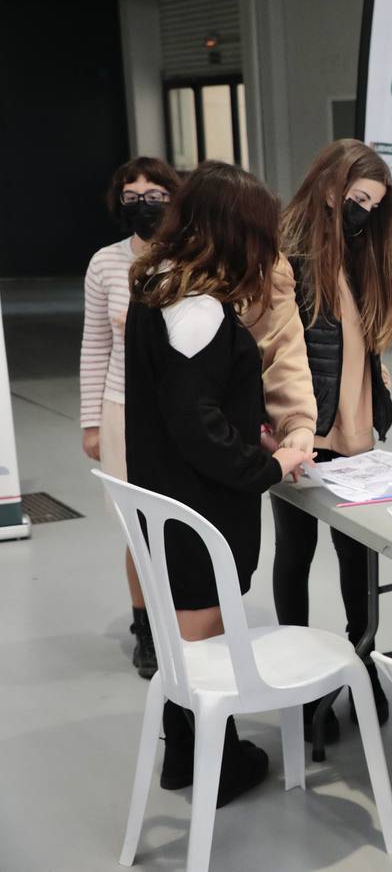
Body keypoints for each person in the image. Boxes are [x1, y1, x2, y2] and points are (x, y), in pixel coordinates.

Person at [123, 161, 314, 805]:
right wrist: (270, 465)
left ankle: (190, 754)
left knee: (184, 643)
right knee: (198, 640)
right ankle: (210, 763)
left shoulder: (158, 287)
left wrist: (247, 429)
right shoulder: (198, 308)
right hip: (199, 512)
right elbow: (196, 422)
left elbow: (193, 405)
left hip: (168, 503)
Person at [270, 140, 392, 740]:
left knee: (358, 556)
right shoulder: (289, 250)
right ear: (329, 188)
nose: (364, 216)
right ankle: (298, 688)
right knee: (296, 553)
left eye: (373, 206)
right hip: (301, 430)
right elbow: (275, 349)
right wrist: (283, 430)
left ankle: (363, 660)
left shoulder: (360, 251)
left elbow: (364, 338)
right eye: (357, 201)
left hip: (356, 431)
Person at [81, 157, 181, 680]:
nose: (142, 201)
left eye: (154, 192)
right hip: (123, 410)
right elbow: (95, 345)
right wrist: (90, 423)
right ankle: (146, 630)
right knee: (137, 527)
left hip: (182, 411)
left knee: (186, 522)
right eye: (131, 193)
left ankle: (190, 620)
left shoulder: (193, 258)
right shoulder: (104, 264)